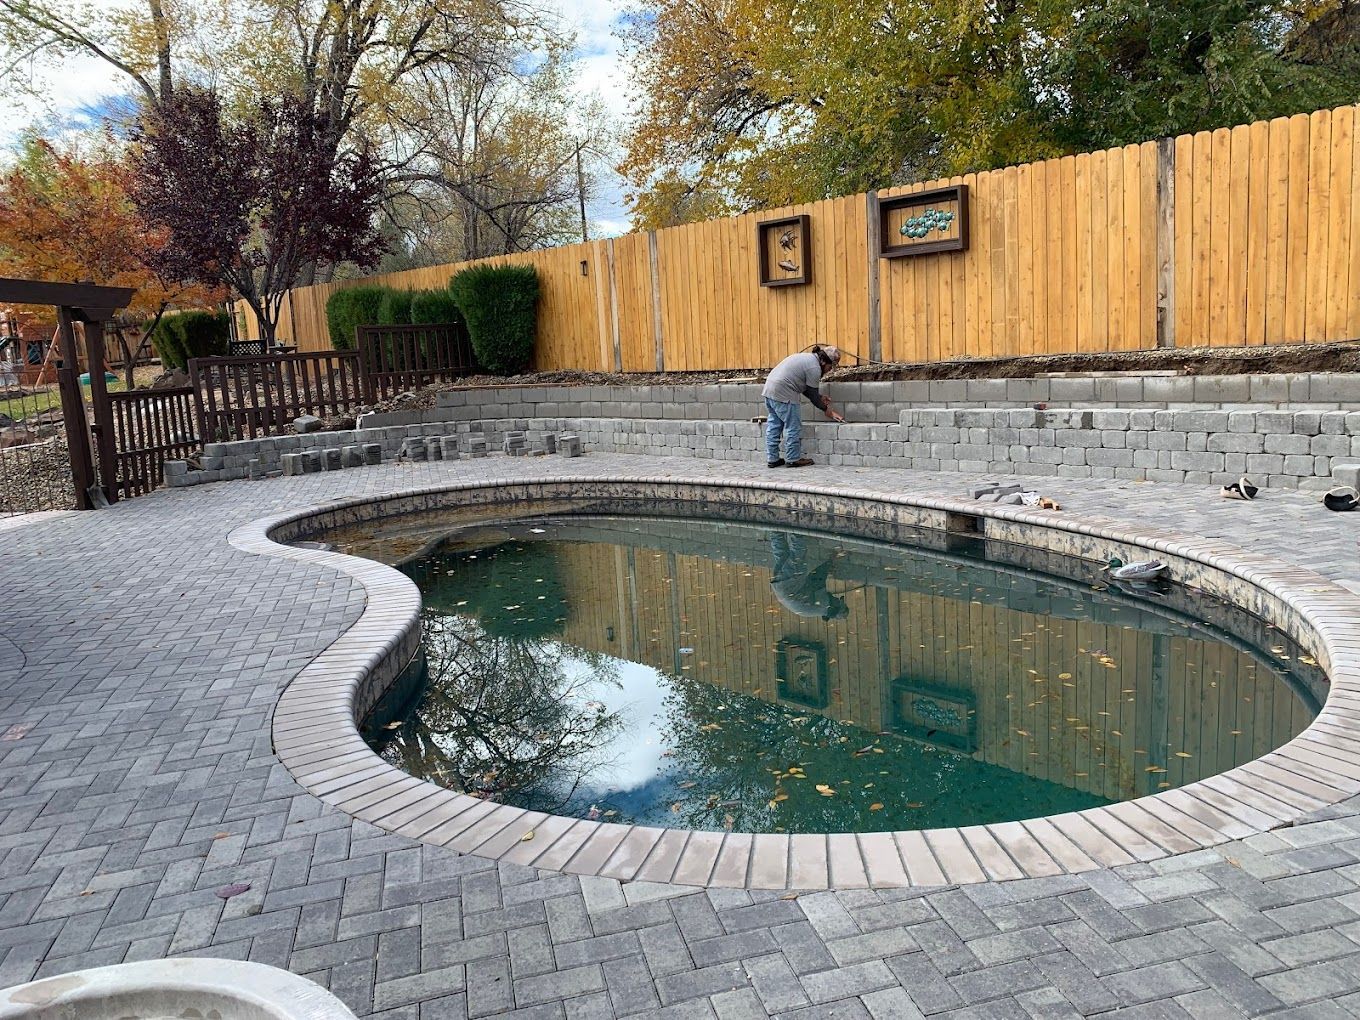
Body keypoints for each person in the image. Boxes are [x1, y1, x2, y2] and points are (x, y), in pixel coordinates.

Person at [761, 344, 845, 468]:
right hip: (784, 393)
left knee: (774, 425)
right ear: (824, 362)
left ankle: (773, 459)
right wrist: (829, 411)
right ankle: (793, 459)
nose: (829, 371)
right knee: (793, 426)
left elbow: (805, 388)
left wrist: (819, 396)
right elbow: (813, 397)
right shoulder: (814, 368)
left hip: (769, 390)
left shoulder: (807, 359)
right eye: (830, 367)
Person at [768, 532, 850, 621]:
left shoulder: (824, 605)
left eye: (838, 602)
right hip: (780, 588)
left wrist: (831, 560)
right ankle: (775, 531)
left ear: (835, 607)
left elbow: (816, 578)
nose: (836, 598)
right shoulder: (818, 610)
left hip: (790, 586)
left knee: (798, 554)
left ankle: (795, 530)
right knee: (782, 555)